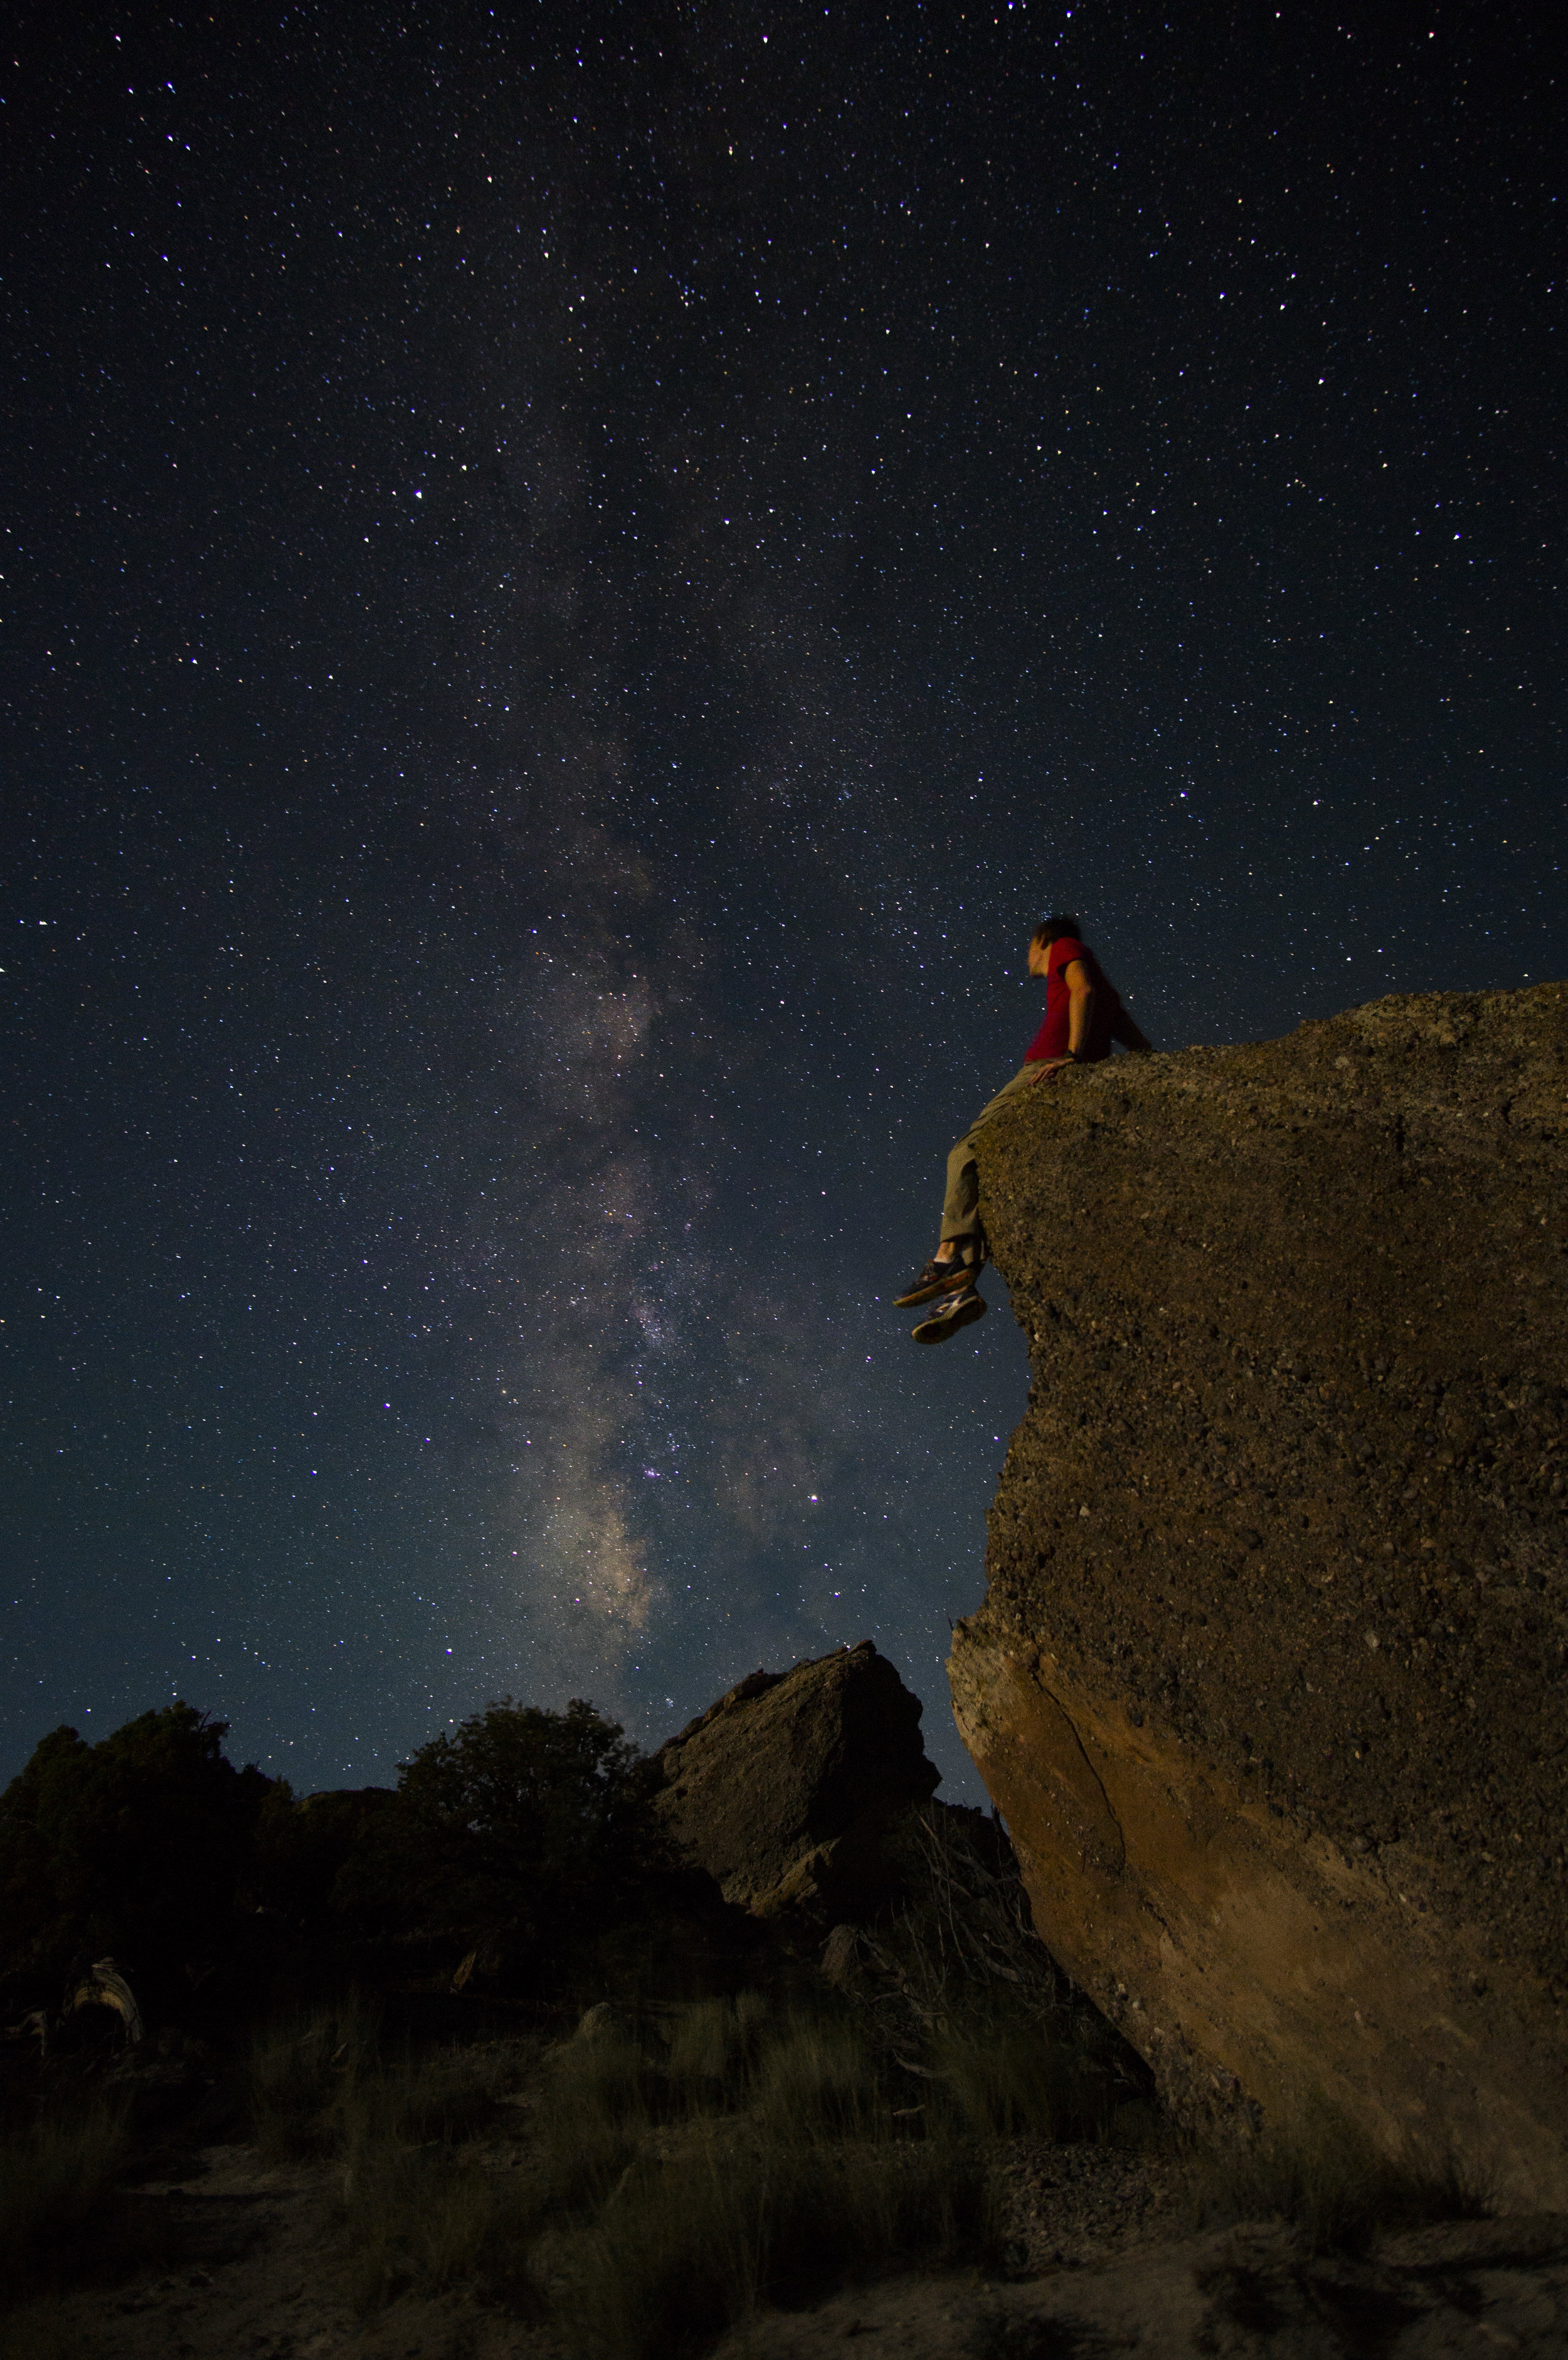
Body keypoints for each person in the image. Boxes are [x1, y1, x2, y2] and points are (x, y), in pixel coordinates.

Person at [894, 914, 1151, 1342]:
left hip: (1045, 1066)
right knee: (991, 1175)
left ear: (1042, 940)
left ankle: (946, 1257)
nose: (1028, 957)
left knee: (964, 1152)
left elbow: (1080, 989)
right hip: (1076, 1072)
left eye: (1029, 947)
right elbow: (1135, 1040)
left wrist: (1069, 1055)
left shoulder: (1064, 949)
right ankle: (961, 1292)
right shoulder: (1108, 991)